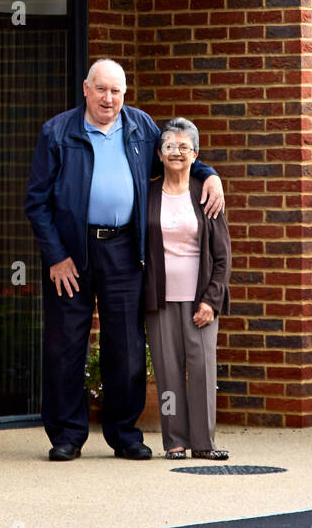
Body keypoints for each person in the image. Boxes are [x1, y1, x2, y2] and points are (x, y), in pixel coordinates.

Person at [24, 59, 225, 461]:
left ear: (125, 93)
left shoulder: (141, 127)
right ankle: (66, 436)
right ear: (86, 88)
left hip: (124, 251)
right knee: (66, 345)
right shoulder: (58, 132)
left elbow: (174, 152)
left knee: (127, 346)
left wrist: (209, 172)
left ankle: (125, 434)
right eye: (101, 89)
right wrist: (56, 256)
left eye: (116, 91)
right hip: (72, 253)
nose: (109, 99)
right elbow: (37, 202)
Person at [145, 117, 231, 459]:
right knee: (167, 374)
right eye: (169, 146)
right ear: (159, 153)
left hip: (200, 301)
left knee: (201, 371)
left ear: (196, 154)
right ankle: (174, 442)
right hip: (160, 300)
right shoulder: (148, 194)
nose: (176, 152)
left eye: (184, 147)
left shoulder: (207, 195)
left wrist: (212, 299)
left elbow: (222, 256)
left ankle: (204, 444)